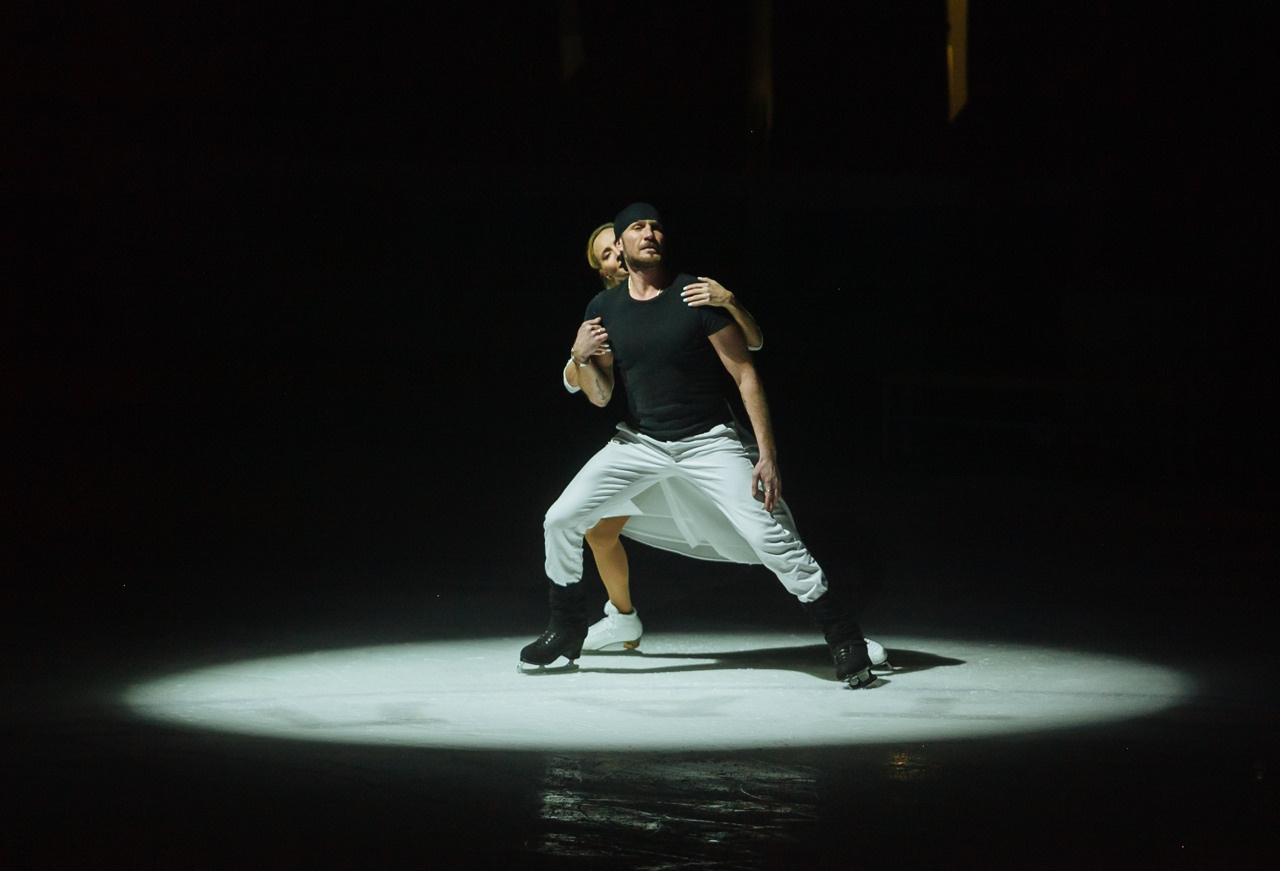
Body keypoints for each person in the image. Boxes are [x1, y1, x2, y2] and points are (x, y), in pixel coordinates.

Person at [522, 203, 880, 688]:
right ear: (621, 250)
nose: (649, 233)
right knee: (561, 518)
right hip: (640, 442)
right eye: (636, 228)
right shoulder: (603, 309)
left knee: (767, 535)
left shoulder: (694, 296)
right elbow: (604, 395)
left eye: (655, 226)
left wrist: (768, 455)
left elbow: (746, 372)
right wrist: (581, 358)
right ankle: (565, 629)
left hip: (707, 442)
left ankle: (844, 635)